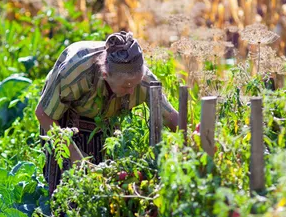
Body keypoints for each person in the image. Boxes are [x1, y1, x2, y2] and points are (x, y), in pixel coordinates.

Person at [35, 31, 179, 196]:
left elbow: (171, 117)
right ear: (105, 75)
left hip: (104, 117)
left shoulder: (143, 81)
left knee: (103, 184)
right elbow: (44, 114)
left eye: (136, 83)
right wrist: (77, 158)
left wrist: (196, 145)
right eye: (126, 86)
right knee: (66, 188)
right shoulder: (75, 72)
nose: (133, 91)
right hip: (63, 114)